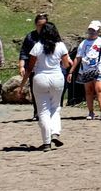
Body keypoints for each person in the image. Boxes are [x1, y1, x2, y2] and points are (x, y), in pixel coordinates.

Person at [26, 21, 71, 149]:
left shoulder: (37, 46)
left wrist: (23, 82)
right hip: (56, 77)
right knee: (55, 107)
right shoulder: (61, 45)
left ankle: (46, 142)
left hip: (40, 78)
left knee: (43, 111)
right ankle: (55, 132)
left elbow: (30, 67)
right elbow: (66, 64)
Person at [73, 21, 101, 120]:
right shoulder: (84, 43)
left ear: (98, 31)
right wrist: (71, 70)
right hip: (86, 69)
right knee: (89, 90)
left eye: (94, 30)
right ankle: (91, 112)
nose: (92, 32)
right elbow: (78, 57)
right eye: (90, 30)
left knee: (99, 88)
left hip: (99, 68)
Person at [17, 12, 48, 121]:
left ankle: (47, 111)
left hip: (48, 68)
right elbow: (24, 52)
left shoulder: (50, 36)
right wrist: (21, 66)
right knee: (35, 91)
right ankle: (37, 111)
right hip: (34, 68)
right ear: (36, 24)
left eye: (44, 25)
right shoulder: (30, 37)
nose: (41, 27)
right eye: (39, 25)